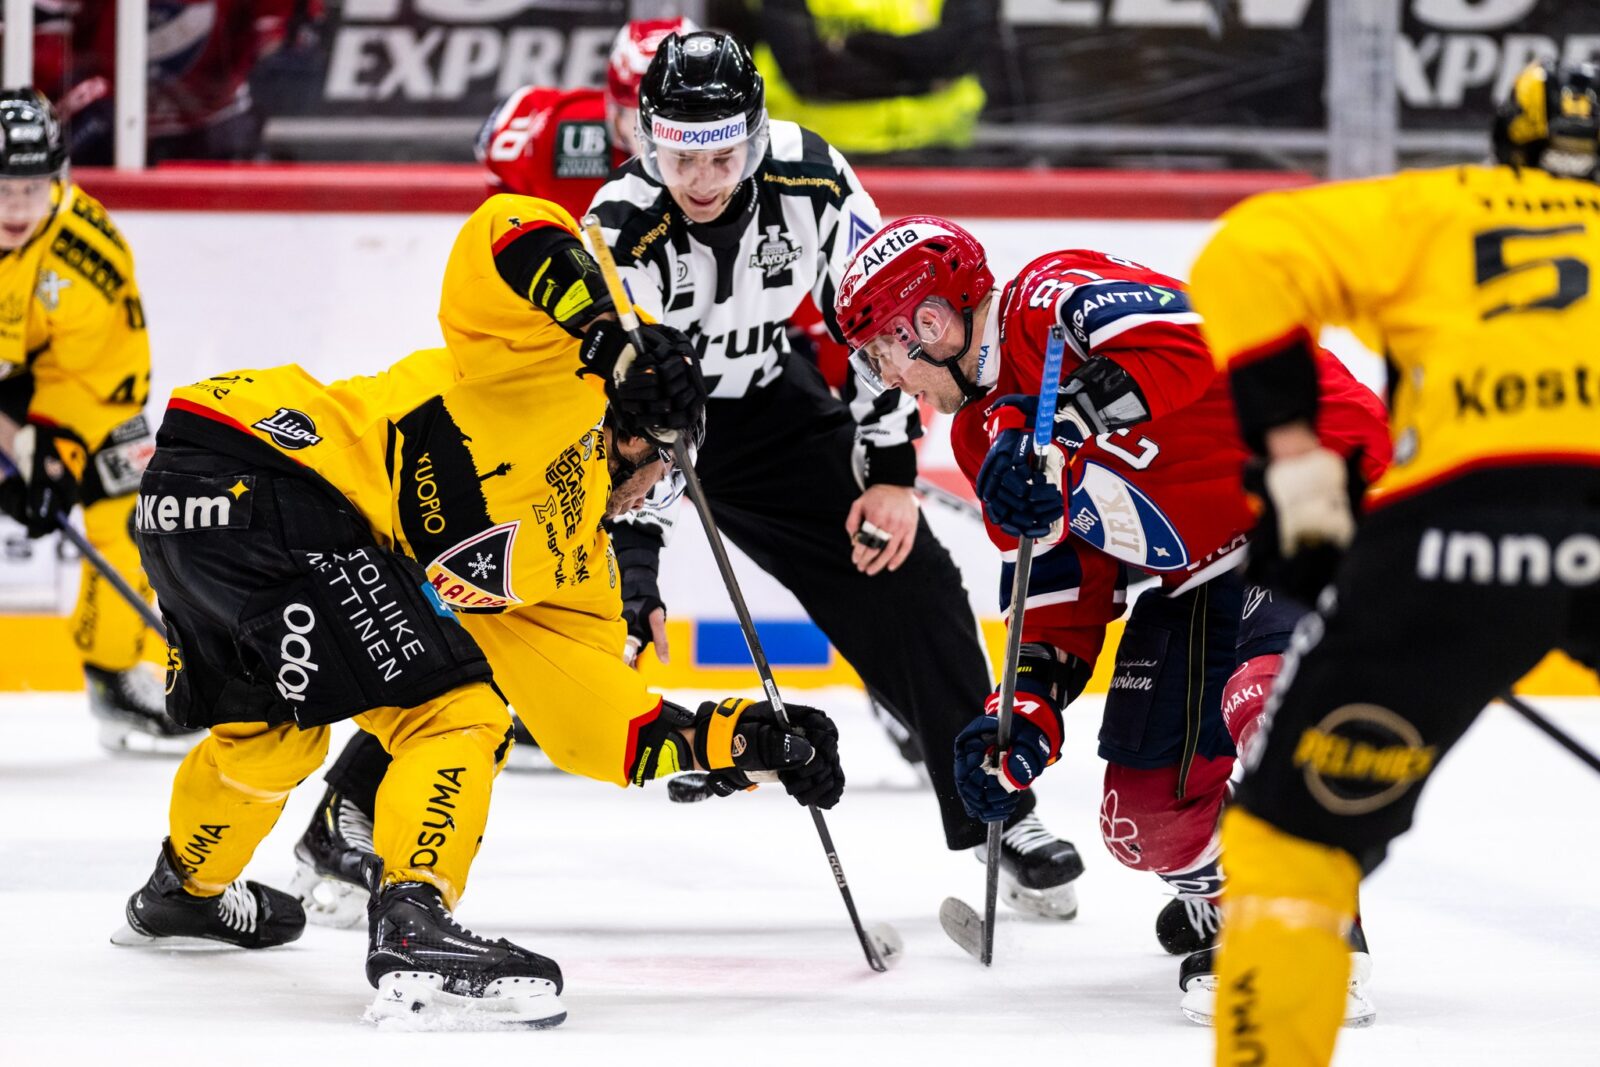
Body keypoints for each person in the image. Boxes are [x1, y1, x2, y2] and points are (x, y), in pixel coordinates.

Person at [110, 191, 844, 1027]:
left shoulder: (578, 571)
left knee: (269, 737)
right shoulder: (557, 364)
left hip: (189, 502)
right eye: (667, 471)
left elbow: (596, 725)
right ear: (643, 435)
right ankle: (413, 922)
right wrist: (614, 337)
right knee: (457, 714)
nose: (653, 496)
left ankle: (184, 889)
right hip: (273, 463)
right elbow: (505, 232)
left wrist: (743, 740)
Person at [834, 215, 1390, 1021]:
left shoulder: (1048, 299)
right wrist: (1023, 712)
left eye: (884, 349)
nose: (888, 377)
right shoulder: (979, 432)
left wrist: (1062, 425)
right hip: (1206, 567)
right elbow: (1062, 582)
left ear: (932, 321)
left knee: (1263, 693)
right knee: (1145, 822)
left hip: (1319, 488)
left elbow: (1202, 338)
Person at [588, 29, 1087, 913]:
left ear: (755, 136)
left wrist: (889, 468)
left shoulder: (812, 178)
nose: (701, 180)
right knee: (522, 586)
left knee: (911, 577)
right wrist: (636, 559)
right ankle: (361, 805)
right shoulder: (620, 228)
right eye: (679, 157)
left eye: (722, 156)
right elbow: (634, 415)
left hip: (766, 405)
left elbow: (879, 323)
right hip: (638, 430)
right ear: (646, 139)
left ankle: (996, 808)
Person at [1186, 57, 1600, 1067]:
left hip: (1452, 531)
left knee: (1290, 839)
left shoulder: (1438, 206)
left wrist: (1295, 459)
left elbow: (1245, 253)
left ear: (1506, 141)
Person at [0, 88, 196, 752]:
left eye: (32, 188)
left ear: (57, 180)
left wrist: (45, 453)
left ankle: (113, 676)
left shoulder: (84, 255)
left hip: (87, 395)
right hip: (21, 384)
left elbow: (85, 380)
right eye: (4, 189)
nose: (17, 207)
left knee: (132, 519)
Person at [477, 17, 697, 221]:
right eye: (649, 117)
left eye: (683, 116)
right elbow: (501, 181)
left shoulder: (718, 158)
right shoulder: (550, 134)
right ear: (617, 117)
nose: (666, 137)